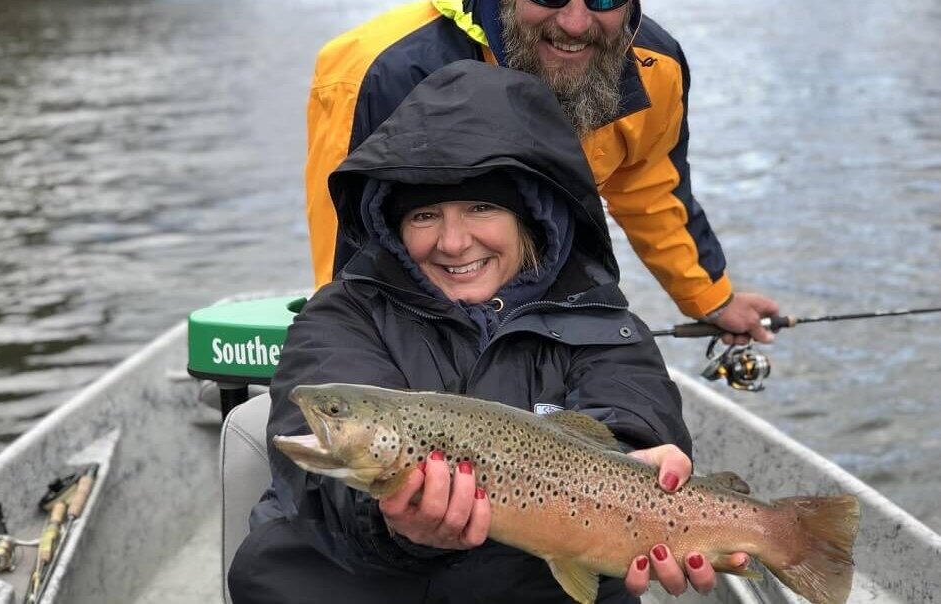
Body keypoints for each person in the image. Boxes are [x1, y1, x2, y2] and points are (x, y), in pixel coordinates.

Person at [230, 61, 747, 604]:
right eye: (425, 214)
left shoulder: (603, 322)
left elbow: (634, 413)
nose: (453, 243)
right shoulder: (342, 316)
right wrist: (391, 523)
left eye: (481, 207)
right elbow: (315, 488)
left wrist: (640, 464)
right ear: (394, 225)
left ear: (532, 218)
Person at [304, 0, 779, 344]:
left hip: (552, 309)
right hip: (418, 317)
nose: (575, 23)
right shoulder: (376, 71)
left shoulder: (660, 66)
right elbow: (351, 262)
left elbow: (651, 191)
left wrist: (711, 300)